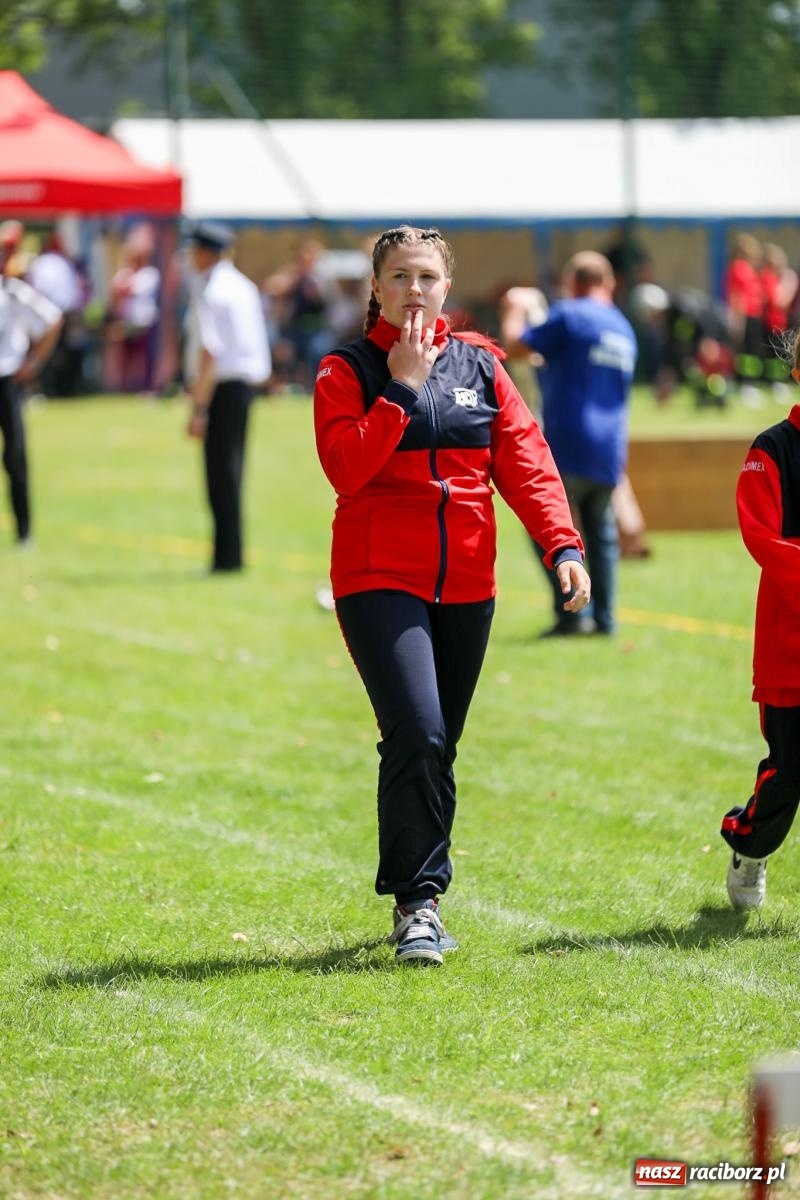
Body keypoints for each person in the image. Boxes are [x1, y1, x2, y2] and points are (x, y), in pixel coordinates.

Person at [313, 225, 590, 966]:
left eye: (427, 276)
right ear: (375, 287)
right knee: (419, 730)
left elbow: (526, 460)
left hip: (469, 583)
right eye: (398, 276)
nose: (413, 289)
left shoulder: (481, 366)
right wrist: (401, 387)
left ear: (447, 285)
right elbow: (345, 468)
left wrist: (562, 544)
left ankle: (420, 897)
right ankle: (418, 906)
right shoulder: (345, 370)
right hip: (377, 580)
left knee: (441, 746)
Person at [500, 251, 637, 636]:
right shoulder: (623, 326)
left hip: (569, 442)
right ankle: (605, 618)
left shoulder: (569, 314)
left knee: (545, 530)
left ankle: (572, 615)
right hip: (610, 447)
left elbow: (515, 346)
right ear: (609, 284)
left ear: (573, 282)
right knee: (601, 533)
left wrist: (513, 306)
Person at [720, 328, 800, 912]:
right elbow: (763, 538)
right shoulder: (771, 450)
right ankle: (749, 844)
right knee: (790, 773)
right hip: (789, 647)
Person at [184, 221, 271, 573]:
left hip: (222, 388)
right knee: (231, 472)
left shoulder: (212, 289)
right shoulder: (242, 285)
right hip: (243, 387)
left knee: (220, 476)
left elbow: (209, 351)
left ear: (206, 252)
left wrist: (199, 406)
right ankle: (229, 555)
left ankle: (226, 558)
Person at [0, 220, 63, 545]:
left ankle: (24, 531)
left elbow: (52, 320)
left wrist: (34, 361)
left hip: (7, 381)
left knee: (15, 457)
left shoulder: (11, 291)